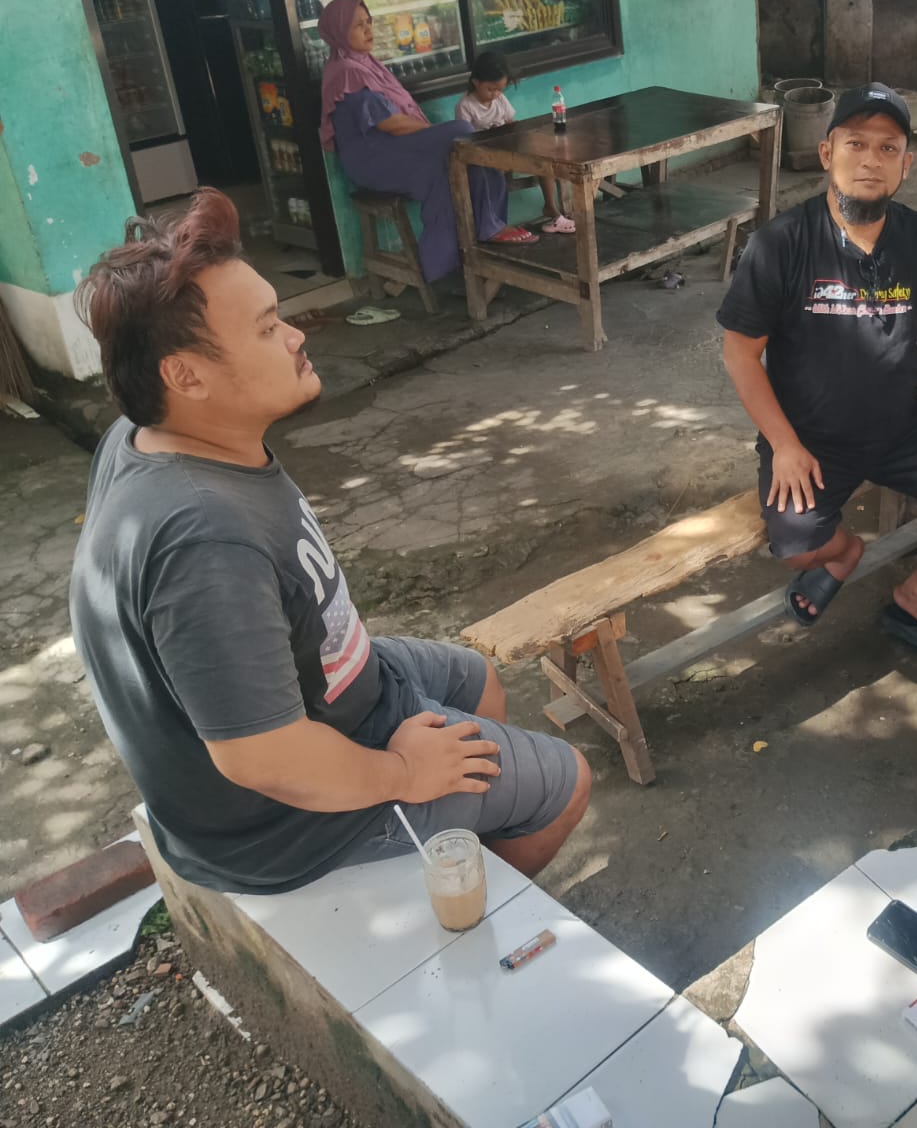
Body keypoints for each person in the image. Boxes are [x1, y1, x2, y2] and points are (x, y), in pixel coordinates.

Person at [67, 189, 590, 894]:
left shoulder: (143, 435)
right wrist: (402, 771)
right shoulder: (204, 540)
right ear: (184, 375)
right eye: (265, 329)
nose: (296, 336)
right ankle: (457, 908)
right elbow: (263, 757)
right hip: (281, 823)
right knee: (566, 781)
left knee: (479, 680)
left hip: (338, 682)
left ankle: (451, 858)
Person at [718, 83, 917, 665]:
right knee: (798, 547)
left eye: (887, 148)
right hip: (811, 440)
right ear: (828, 153)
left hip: (903, 431)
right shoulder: (780, 243)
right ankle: (845, 555)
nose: (871, 160)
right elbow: (739, 354)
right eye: (856, 144)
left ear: (906, 164)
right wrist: (784, 445)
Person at [317, 0, 536, 285]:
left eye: (369, 22)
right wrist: (437, 132)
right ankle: (469, 247)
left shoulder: (366, 64)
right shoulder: (347, 71)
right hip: (374, 159)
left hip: (394, 150)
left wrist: (438, 135)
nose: (368, 29)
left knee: (464, 162)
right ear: (338, 31)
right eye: (359, 25)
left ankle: (475, 246)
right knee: (462, 133)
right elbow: (392, 124)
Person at [455, 51, 576, 235]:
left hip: (508, 147)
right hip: (484, 155)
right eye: (490, 89)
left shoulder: (499, 99)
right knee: (492, 174)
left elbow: (511, 122)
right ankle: (495, 225)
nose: (495, 94)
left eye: (500, 89)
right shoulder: (465, 106)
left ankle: (550, 206)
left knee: (542, 157)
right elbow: (465, 139)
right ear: (476, 82)